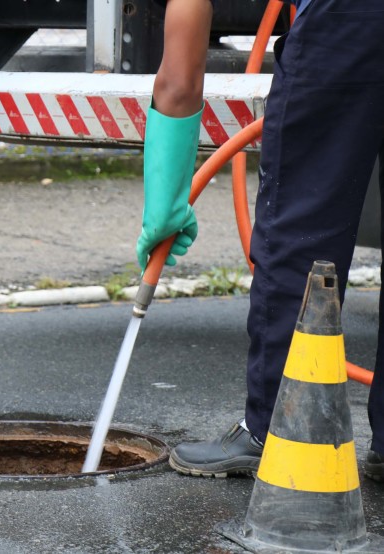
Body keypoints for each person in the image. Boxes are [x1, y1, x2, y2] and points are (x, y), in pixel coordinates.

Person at [141, 0, 384, 480]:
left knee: (306, 224)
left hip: (350, 23)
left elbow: (180, 76)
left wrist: (164, 196)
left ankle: (276, 428)